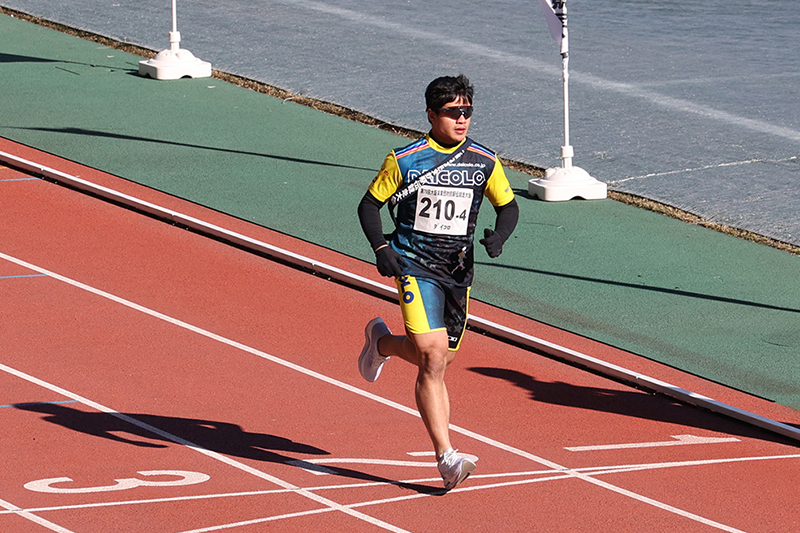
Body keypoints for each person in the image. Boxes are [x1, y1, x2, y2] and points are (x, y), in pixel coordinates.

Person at [356, 74, 519, 491]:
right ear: (431, 114)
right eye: (452, 112)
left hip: (458, 273)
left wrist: (500, 236)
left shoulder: (484, 161)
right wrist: (381, 248)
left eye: (467, 111)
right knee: (431, 356)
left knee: (438, 360)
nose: (462, 119)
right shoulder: (405, 159)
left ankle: (381, 343)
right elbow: (369, 205)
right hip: (414, 266)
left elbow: (508, 206)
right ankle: (447, 458)